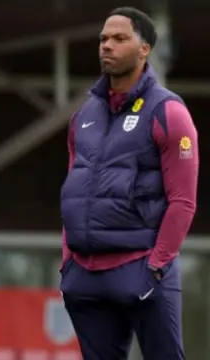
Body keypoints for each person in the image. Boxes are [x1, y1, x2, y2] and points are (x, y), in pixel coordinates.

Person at [59, 7, 197, 360]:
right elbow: (74, 190)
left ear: (144, 49)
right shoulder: (83, 116)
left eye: (120, 39)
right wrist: (68, 262)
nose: (107, 45)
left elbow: (183, 201)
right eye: (104, 38)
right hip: (86, 276)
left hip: (142, 269)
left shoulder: (169, 111)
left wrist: (155, 267)